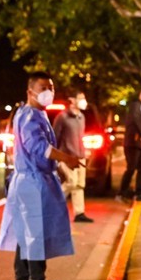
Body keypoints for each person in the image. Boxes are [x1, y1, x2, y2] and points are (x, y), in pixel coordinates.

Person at [0, 71, 82, 280]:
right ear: (30, 91)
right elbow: (39, 147)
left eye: (51, 88)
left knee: (25, 231)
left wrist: (58, 168)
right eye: (44, 87)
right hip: (32, 183)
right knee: (35, 231)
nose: (49, 92)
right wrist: (67, 159)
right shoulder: (29, 116)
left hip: (34, 180)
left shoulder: (34, 114)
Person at [52, 91, 92, 223]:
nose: (83, 101)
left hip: (80, 156)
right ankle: (53, 204)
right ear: (72, 100)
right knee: (71, 182)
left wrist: (84, 152)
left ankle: (79, 213)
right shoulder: (62, 117)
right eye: (80, 98)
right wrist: (57, 157)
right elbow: (55, 138)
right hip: (67, 156)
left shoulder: (81, 117)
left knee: (80, 185)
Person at [119, 87, 141, 201]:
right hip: (133, 143)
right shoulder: (135, 106)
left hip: (140, 144)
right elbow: (137, 120)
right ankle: (121, 192)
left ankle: (140, 192)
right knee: (131, 168)